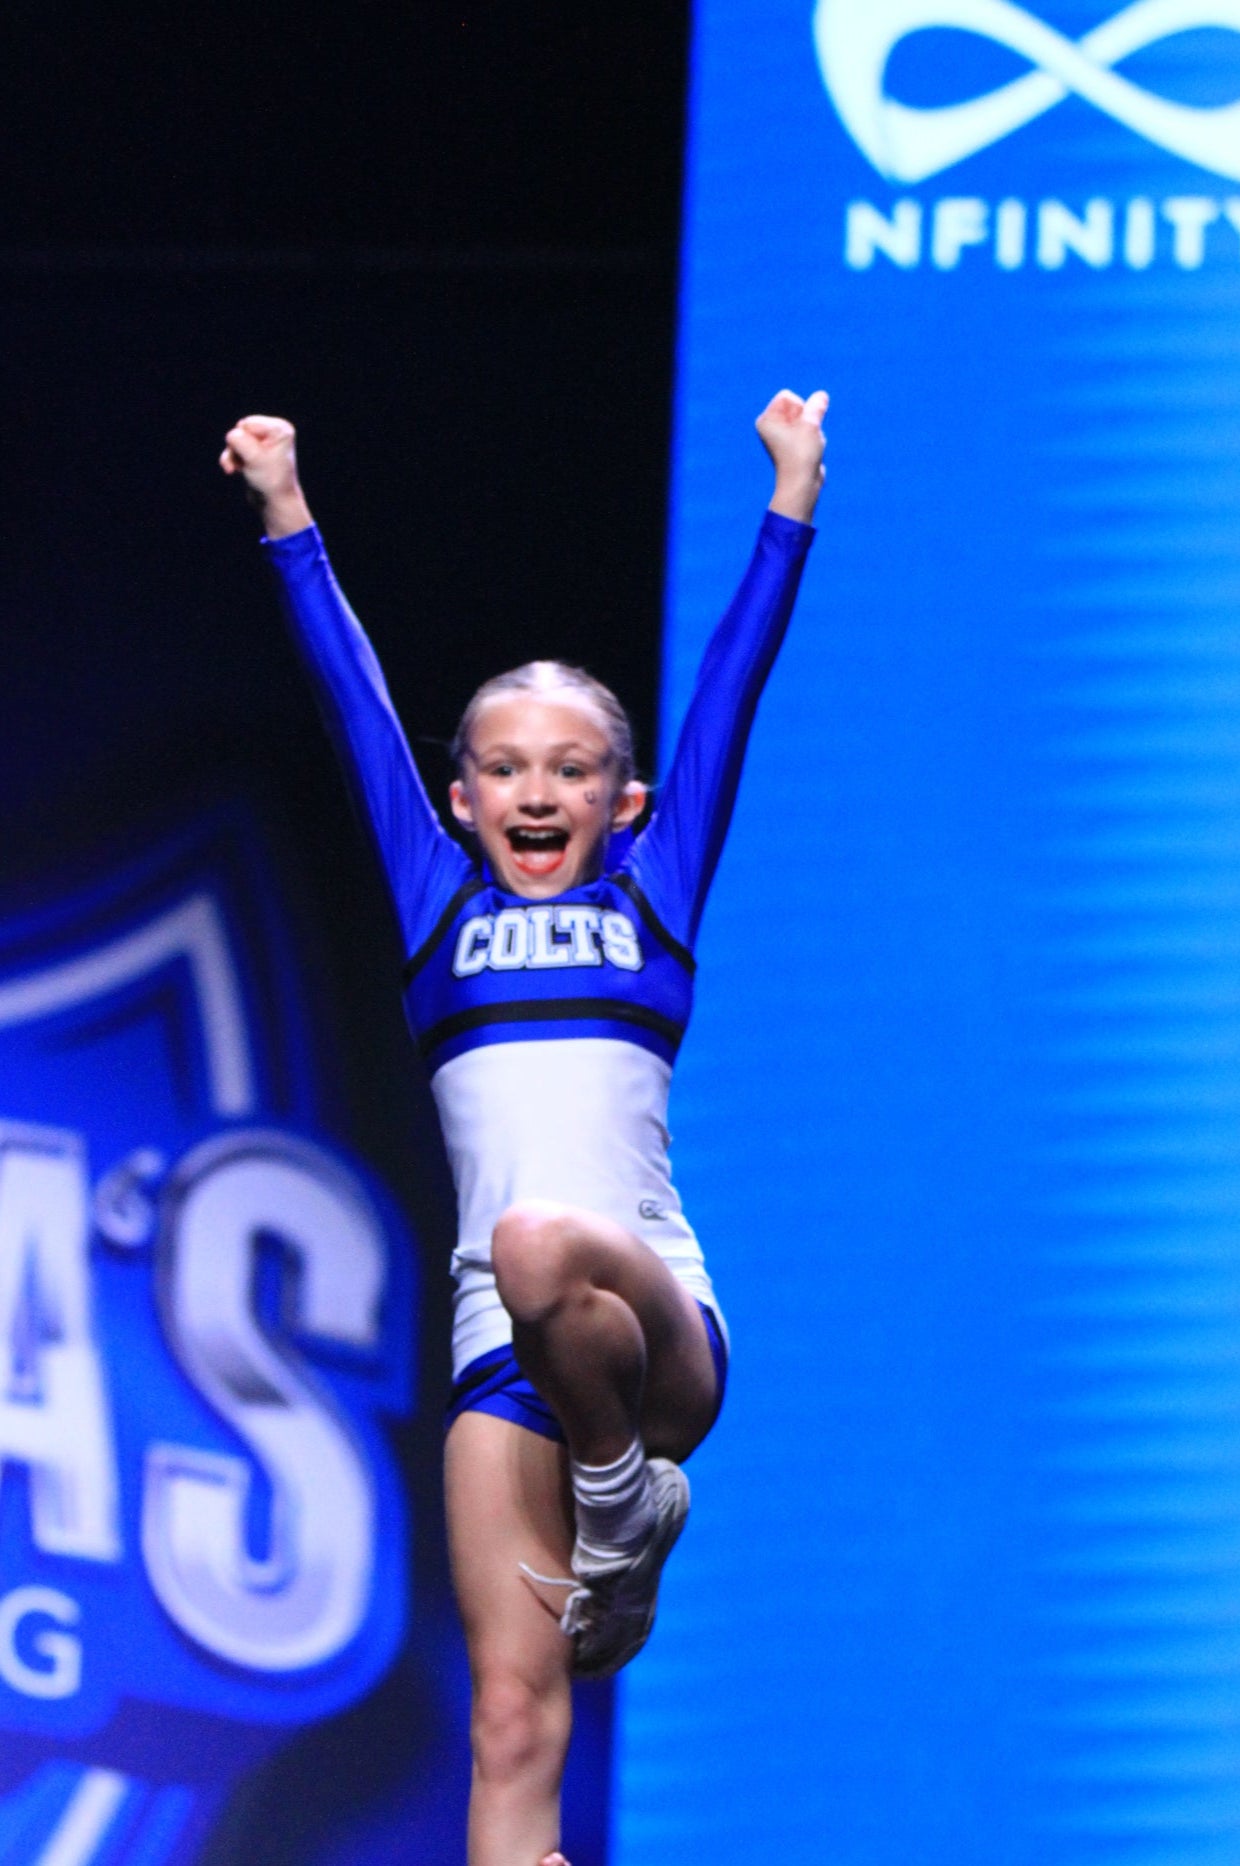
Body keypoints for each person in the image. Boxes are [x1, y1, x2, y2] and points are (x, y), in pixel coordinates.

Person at [221, 386, 827, 1866]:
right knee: (510, 1720)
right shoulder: (440, 912)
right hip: (496, 1351)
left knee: (542, 1237)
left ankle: (629, 1501)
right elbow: (348, 696)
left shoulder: (655, 894)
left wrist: (792, 494)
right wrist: (285, 509)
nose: (536, 789)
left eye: (571, 768)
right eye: (504, 766)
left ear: (625, 803)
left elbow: (730, 689)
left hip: (651, 1322)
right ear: (458, 794)